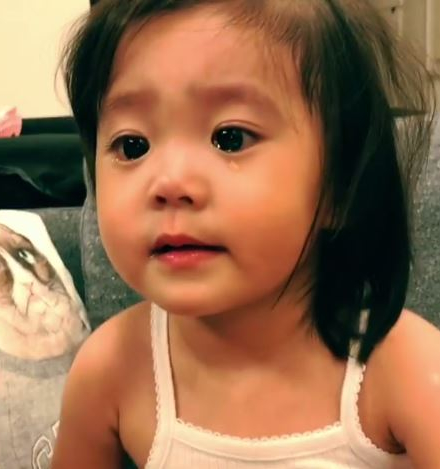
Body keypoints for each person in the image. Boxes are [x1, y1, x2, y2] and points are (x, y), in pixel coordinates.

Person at [52, 1, 440, 467]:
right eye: (132, 146)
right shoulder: (111, 369)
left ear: (340, 185)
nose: (170, 182)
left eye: (230, 138)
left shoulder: (403, 369)